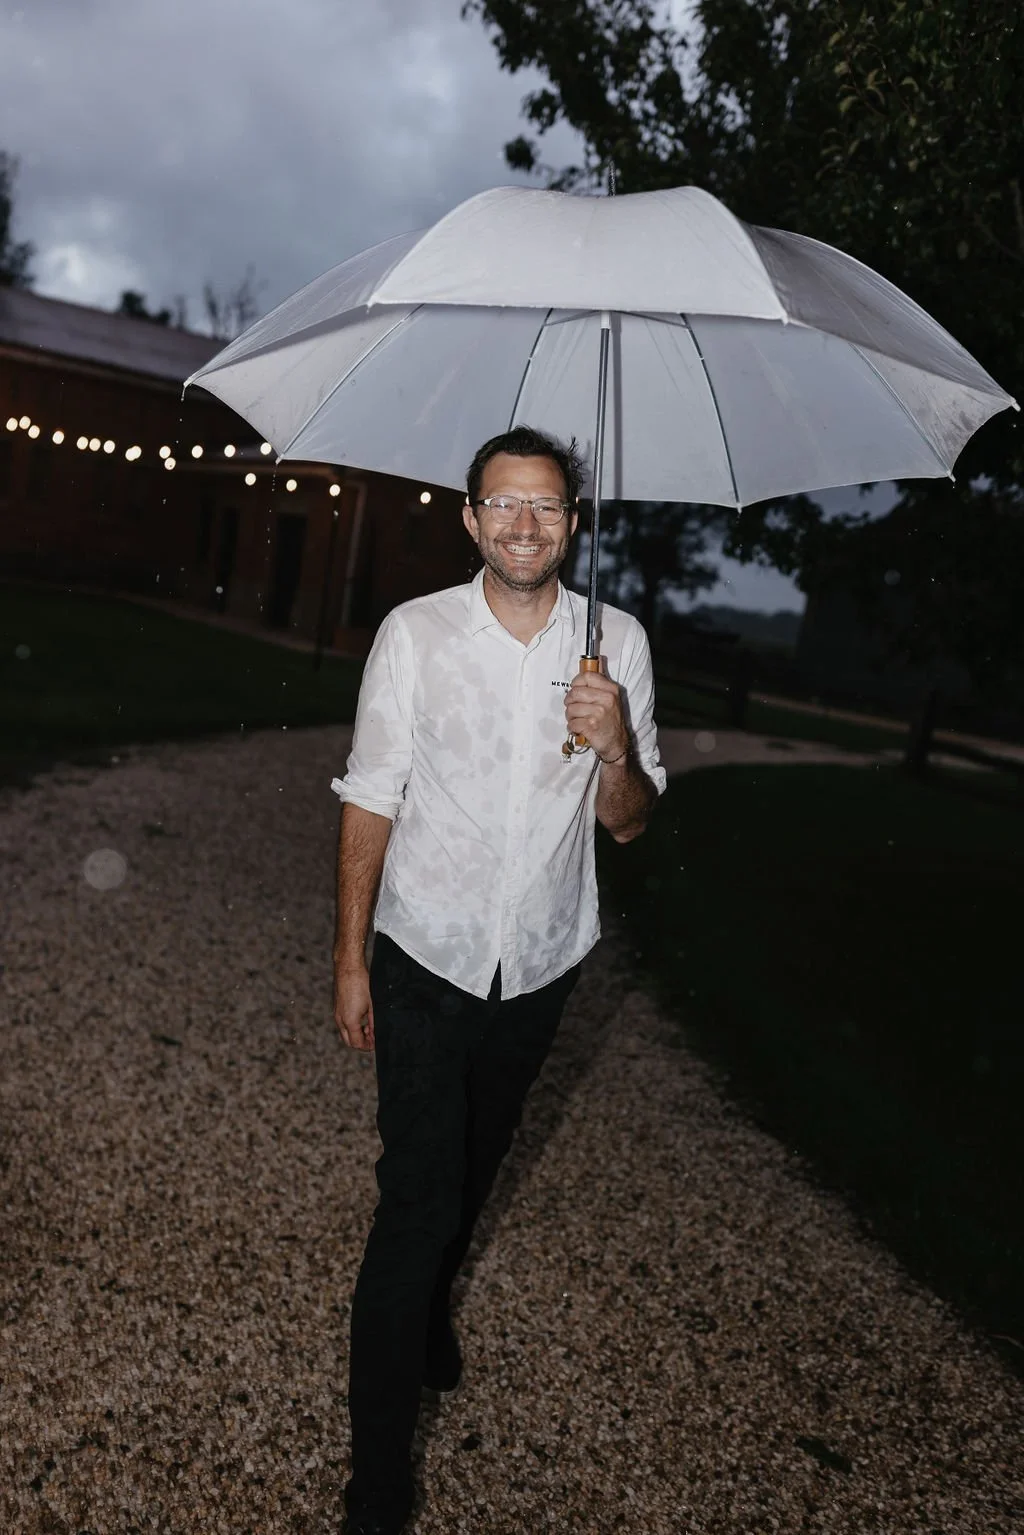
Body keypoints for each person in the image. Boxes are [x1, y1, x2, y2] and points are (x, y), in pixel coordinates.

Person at [331, 425, 666, 1535]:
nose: (525, 525)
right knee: (417, 1196)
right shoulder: (416, 634)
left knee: (475, 1168)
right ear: (470, 518)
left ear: (575, 521)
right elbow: (370, 793)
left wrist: (615, 742)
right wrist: (349, 956)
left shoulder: (616, 641)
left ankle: (432, 1311)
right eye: (503, 505)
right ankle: (377, 1488)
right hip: (425, 950)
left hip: (542, 962)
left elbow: (628, 827)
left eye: (547, 506)